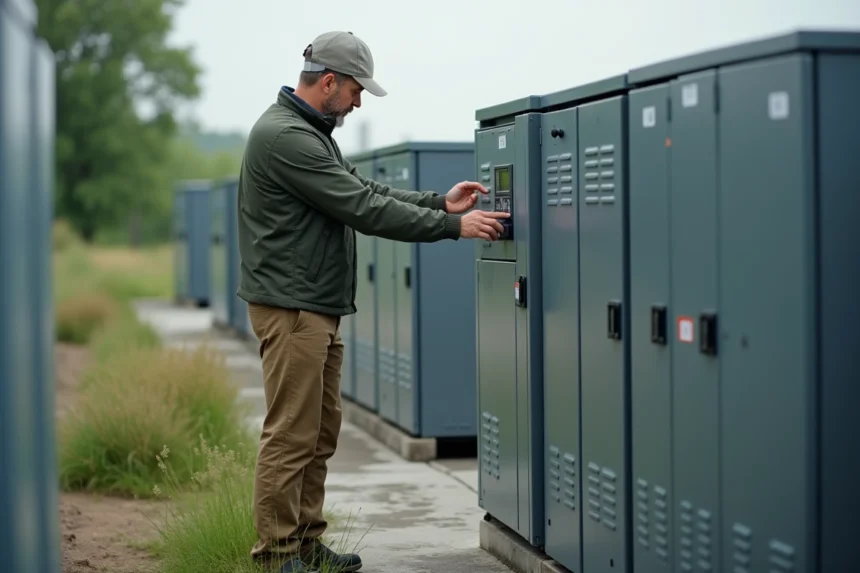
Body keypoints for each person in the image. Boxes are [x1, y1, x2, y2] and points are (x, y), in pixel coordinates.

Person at [235, 30, 510, 573]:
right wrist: (453, 227)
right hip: (293, 309)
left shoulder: (310, 132)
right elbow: (362, 207)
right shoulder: (284, 136)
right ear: (330, 81)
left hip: (314, 306)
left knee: (319, 431)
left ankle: (307, 545)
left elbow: (365, 189)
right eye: (357, 90)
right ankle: (276, 556)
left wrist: (438, 201)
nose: (359, 102)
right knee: (291, 434)